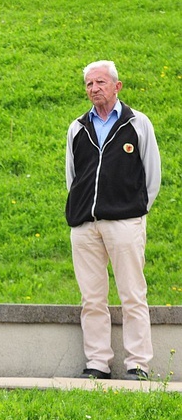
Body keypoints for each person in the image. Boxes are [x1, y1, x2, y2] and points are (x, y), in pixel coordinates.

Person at [66, 60, 161, 381]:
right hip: (84, 225)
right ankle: (97, 364)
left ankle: (138, 364)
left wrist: (134, 210)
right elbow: (73, 177)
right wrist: (81, 211)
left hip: (126, 223)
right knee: (91, 298)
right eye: (89, 84)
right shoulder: (77, 127)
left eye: (100, 83)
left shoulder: (138, 124)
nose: (94, 89)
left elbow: (152, 175)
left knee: (133, 295)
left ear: (117, 86)